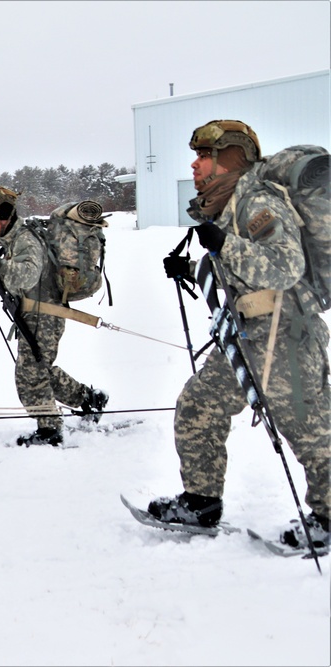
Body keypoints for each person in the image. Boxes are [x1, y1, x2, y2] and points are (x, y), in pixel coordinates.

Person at [149, 119, 330, 549]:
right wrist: (193, 270)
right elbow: (240, 277)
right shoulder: (227, 205)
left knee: (311, 432)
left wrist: (224, 245)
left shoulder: (258, 201)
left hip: (286, 335)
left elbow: (285, 269)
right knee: (199, 405)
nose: (194, 166)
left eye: (203, 156)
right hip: (247, 334)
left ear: (229, 158)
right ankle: (201, 502)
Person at [0, 186, 108, 446]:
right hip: (36, 314)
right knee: (39, 370)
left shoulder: (25, 239)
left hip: (44, 316)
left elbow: (28, 275)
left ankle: (50, 429)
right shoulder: (16, 239)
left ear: (5, 214)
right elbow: (21, 280)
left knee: (29, 376)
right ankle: (89, 399)